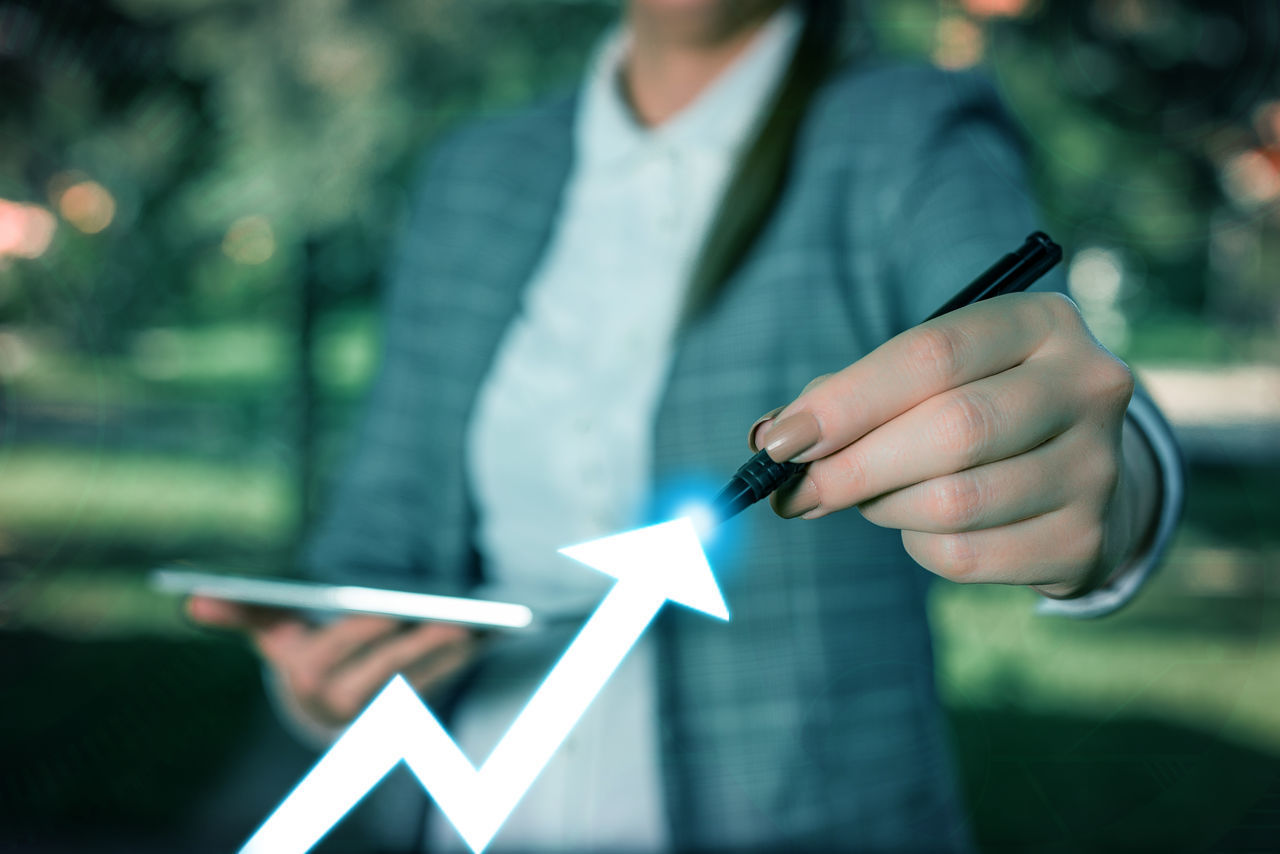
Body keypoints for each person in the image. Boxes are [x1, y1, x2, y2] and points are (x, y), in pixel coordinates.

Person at [189, 0, 1184, 850]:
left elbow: (1063, 385)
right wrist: (329, 682)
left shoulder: (907, 133)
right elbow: (379, 539)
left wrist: (1113, 492)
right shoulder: (471, 176)